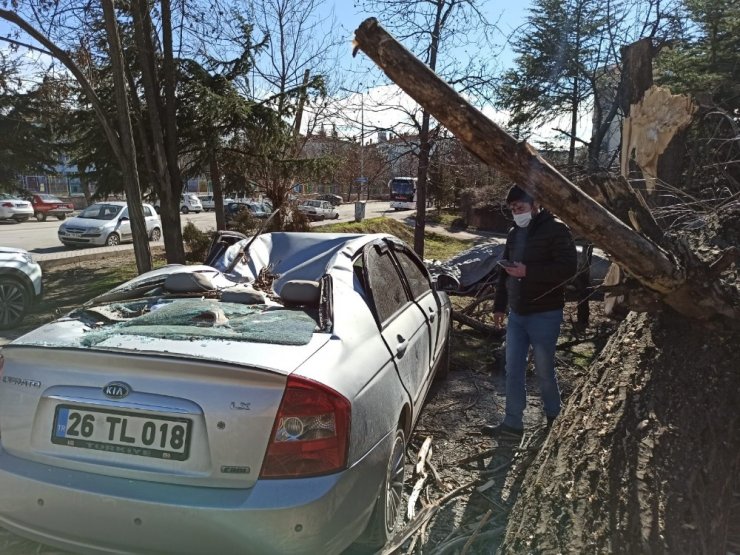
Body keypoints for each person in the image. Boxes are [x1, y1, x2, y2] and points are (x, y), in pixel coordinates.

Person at [482, 185, 577, 438]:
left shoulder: (557, 229)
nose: (516, 213)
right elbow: (504, 272)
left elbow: (568, 268)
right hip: (517, 313)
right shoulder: (514, 233)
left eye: (520, 207)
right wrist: (499, 306)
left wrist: (529, 272)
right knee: (512, 368)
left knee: (544, 369)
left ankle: (555, 418)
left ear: (536, 205)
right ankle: (513, 424)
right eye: (512, 209)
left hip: (546, 312)